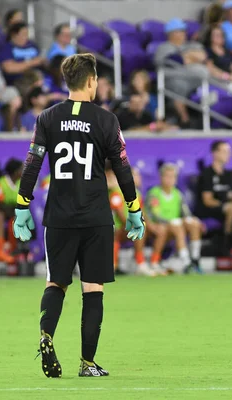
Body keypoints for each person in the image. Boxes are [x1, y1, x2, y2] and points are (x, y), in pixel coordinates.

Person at [11, 53, 145, 378]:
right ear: (90, 81)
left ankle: (46, 335)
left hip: (58, 217)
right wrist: (134, 209)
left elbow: (32, 163)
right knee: (93, 288)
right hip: (96, 216)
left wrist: (21, 206)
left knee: (56, 282)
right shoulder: (107, 120)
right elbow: (123, 169)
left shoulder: (46, 118)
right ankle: (87, 363)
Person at [147, 163, 204, 274]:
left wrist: (191, 219)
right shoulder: (154, 193)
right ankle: (186, 263)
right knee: (176, 226)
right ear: (161, 178)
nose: (170, 179)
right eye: (167, 176)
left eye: (172, 177)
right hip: (159, 228)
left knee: (194, 223)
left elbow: (186, 213)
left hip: (176, 225)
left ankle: (195, 260)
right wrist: (170, 222)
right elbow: (155, 216)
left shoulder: (178, 194)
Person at [154, 18, 209, 127]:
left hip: (194, 79)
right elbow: (176, 60)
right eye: (181, 31)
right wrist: (189, 58)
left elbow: (203, 56)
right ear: (172, 33)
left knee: (207, 80)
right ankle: (185, 121)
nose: (184, 33)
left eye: (184, 30)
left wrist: (187, 56)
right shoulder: (164, 47)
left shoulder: (190, 45)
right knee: (179, 85)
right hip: (174, 79)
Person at [196, 140, 232, 252]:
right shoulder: (207, 174)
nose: (228, 154)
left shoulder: (230, 175)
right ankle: (227, 243)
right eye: (224, 151)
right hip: (208, 209)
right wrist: (225, 205)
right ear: (215, 153)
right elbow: (207, 200)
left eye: (229, 152)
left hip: (226, 209)